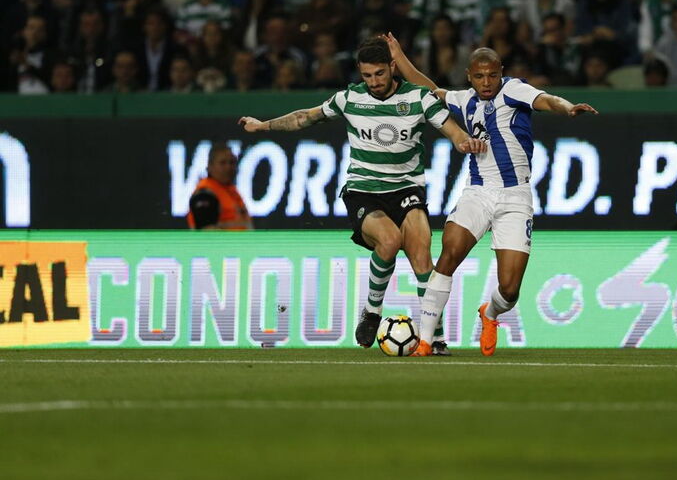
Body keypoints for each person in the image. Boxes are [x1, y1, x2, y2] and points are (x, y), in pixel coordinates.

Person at [238, 37, 486, 355]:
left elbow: (453, 131)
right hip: (364, 190)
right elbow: (305, 117)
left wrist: (466, 142)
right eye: (367, 75)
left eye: (380, 74)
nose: (374, 82)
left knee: (423, 261)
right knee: (390, 240)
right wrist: (263, 127)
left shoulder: (419, 98)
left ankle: (434, 339)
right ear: (360, 71)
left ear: (392, 68)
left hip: (408, 189)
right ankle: (372, 311)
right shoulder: (349, 99)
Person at [382, 33, 598, 358]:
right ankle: (425, 341)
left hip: (516, 197)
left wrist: (567, 108)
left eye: (492, 75)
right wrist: (398, 58)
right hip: (478, 192)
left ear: (501, 72)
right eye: (480, 76)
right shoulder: (463, 99)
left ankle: (491, 313)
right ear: (469, 76)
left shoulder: (514, 90)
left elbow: (547, 99)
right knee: (450, 252)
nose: (487, 82)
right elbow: (427, 89)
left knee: (509, 290)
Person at [187, 143, 253, 230]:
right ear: (210, 166)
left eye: (232, 162)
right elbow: (206, 232)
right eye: (223, 163)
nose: (228, 167)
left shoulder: (232, 191)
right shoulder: (205, 194)